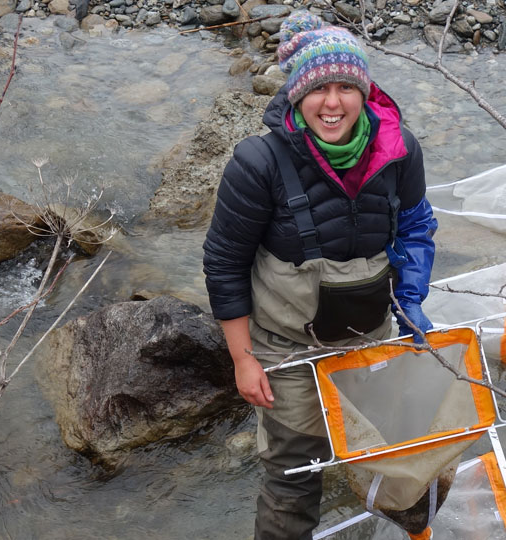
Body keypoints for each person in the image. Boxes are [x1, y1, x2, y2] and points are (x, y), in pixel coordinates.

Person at [202, 10, 437, 539]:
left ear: (363, 89)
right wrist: (242, 359)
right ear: (296, 93)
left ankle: (412, 526)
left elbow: (417, 226)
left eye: (345, 87)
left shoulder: (399, 150)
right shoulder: (257, 163)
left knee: (393, 454)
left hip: (369, 339)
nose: (332, 103)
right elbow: (223, 263)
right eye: (318, 89)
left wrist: (413, 299)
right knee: (293, 480)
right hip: (285, 350)